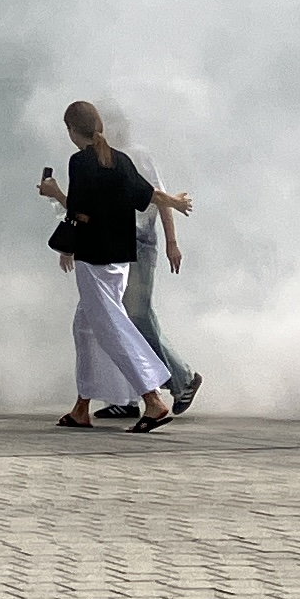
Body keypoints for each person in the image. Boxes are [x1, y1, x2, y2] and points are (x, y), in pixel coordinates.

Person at [37, 101, 184, 432]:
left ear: (73, 131)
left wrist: (54, 192)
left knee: (112, 328)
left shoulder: (80, 162)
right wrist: (173, 201)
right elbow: (144, 195)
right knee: (86, 328)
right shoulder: (120, 160)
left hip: (95, 259)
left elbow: (80, 212)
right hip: (120, 260)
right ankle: (81, 406)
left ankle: (153, 401)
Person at [105, 103, 202, 417]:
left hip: (139, 240)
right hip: (115, 242)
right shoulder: (103, 158)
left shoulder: (137, 155)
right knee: (121, 317)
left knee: (138, 315)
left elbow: (161, 199)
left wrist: (172, 242)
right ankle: (128, 397)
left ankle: (182, 378)